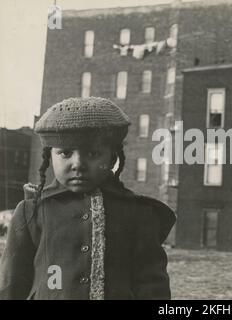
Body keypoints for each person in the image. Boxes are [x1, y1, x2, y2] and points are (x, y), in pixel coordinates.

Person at [0, 97, 176, 300]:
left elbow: (153, 285)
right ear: (50, 156)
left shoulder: (139, 213)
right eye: (65, 153)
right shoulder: (31, 212)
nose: (78, 164)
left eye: (92, 153)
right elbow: (11, 285)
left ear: (112, 158)